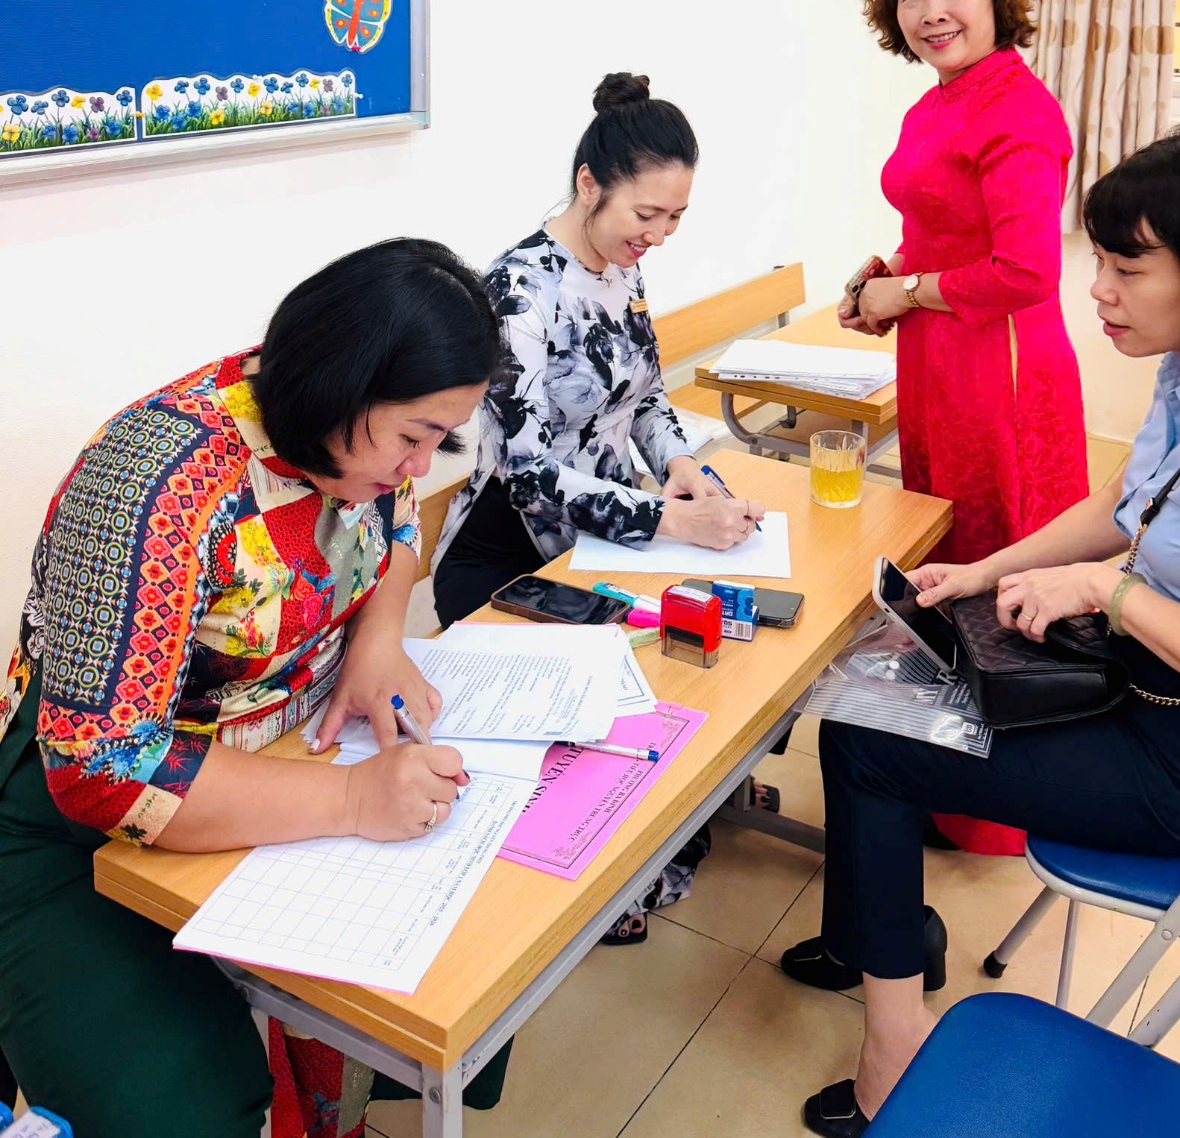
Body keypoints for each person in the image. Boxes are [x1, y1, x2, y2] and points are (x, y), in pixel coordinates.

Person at [787, 127, 1180, 1137]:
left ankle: (893, 1053)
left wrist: (1107, 592)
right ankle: (872, 935)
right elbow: (1124, 506)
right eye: (1100, 260)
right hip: (1153, 688)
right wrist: (987, 569)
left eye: (1127, 269)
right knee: (876, 682)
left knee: (870, 739)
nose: (1097, 288)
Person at [0, 238, 513, 1138]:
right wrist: (353, 798)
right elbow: (101, 767)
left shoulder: (353, 450)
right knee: (178, 1104)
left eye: (441, 438)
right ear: (340, 388)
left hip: (280, 752)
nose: (420, 466)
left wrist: (378, 640)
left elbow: (396, 532)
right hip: (71, 828)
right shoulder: (150, 481)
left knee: (455, 969)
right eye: (413, 436)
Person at [433, 72, 762, 941]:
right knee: (631, 680)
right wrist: (671, 520)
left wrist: (682, 466)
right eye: (646, 214)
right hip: (512, 554)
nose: (657, 236)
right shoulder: (518, 290)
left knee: (712, 641)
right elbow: (530, 473)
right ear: (589, 184)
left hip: (601, 539)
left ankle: (674, 819)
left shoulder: (621, 268)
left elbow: (643, 396)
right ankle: (601, 872)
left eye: (674, 219)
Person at [843, 0, 1087, 855]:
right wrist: (886, 277)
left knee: (993, 563)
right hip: (939, 358)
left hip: (1001, 373)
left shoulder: (1018, 110)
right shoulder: (940, 100)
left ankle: (996, 812)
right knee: (939, 546)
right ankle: (938, 774)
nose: (932, 10)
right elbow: (944, 232)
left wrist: (906, 291)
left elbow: (1025, 271)